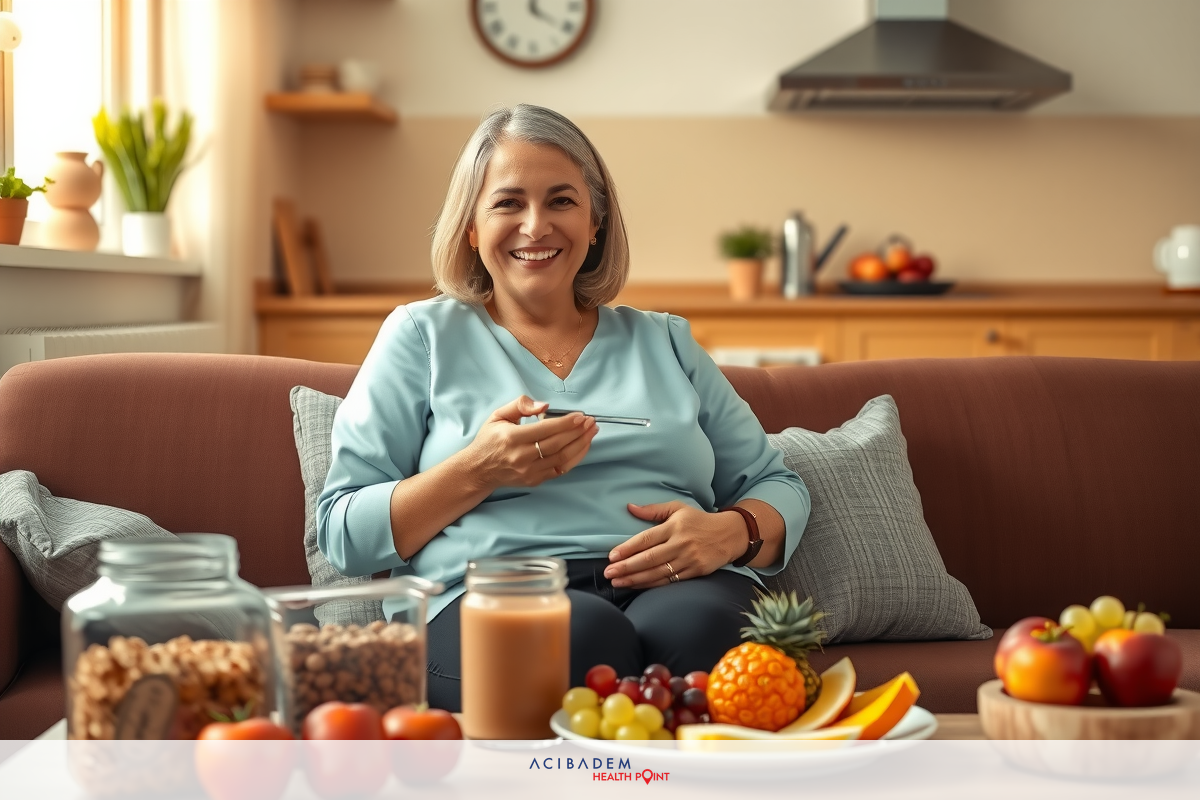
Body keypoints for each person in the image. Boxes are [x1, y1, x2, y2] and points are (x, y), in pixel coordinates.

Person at [317, 104, 810, 712]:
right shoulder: (421, 335)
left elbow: (775, 482)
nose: (535, 226)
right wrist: (480, 470)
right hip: (490, 594)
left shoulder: (666, 341)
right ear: (470, 225)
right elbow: (342, 532)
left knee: (702, 631)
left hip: (679, 583)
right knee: (579, 637)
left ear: (596, 222)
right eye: (507, 203)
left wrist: (733, 531)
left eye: (561, 201)